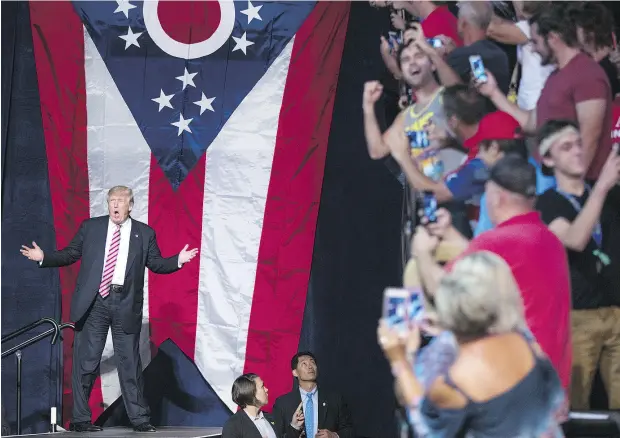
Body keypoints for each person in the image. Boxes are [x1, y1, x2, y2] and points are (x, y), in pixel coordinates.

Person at [19, 186, 198, 433]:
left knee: (130, 363)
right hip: (95, 303)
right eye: (112, 200)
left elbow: (156, 263)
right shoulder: (91, 227)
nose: (115, 205)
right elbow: (71, 254)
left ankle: (139, 419)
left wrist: (177, 260)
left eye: (120, 201)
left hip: (125, 303)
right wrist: (44, 257)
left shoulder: (144, 234)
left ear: (130, 206)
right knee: (86, 362)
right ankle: (81, 419)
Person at [411, 155, 573, 389]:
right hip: (551, 390)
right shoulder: (548, 239)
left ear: (499, 197)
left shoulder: (499, 242)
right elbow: (491, 264)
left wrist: (422, 254)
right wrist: (449, 232)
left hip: (512, 391)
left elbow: (446, 292)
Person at [378, 252, 566, 436]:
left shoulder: (455, 381)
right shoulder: (524, 342)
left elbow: (425, 425)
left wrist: (400, 359)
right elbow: (554, 399)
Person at [534, 120, 620, 409]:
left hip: (617, 312)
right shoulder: (548, 203)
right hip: (577, 319)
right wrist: (603, 187)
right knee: (576, 408)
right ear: (547, 159)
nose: (578, 152)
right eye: (566, 147)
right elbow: (575, 239)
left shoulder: (608, 192)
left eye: (579, 144)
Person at [479, 3, 613, 183]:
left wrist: (572, 191)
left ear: (553, 38)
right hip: (549, 178)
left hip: (578, 186)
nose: (533, 49)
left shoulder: (587, 75)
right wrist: (493, 92)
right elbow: (531, 123)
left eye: (535, 42)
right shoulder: (555, 76)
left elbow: (589, 139)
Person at [272, 352, 354, 438]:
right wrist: (294, 428)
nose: (310, 366)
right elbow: (278, 434)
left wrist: (334, 435)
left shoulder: (335, 399)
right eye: (304, 364)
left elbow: (350, 430)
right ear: (295, 372)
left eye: (312, 362)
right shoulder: (283, 403)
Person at [222, 373, 304, 438]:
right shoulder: (233, 425)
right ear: (250, 393)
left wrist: (294, 426)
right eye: (262, 386)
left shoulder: (270, 418)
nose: (266, 389)